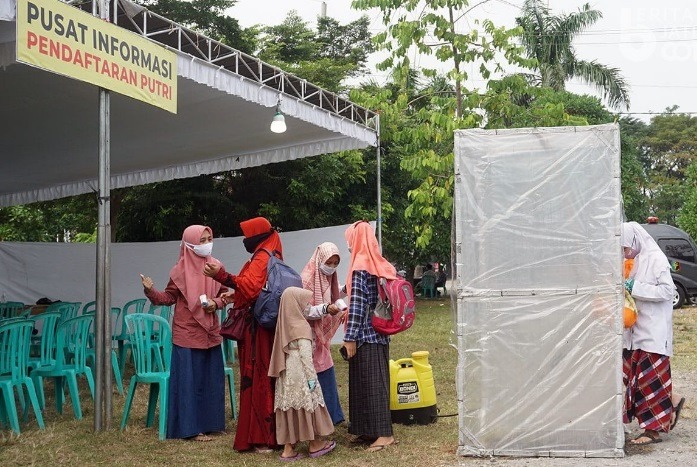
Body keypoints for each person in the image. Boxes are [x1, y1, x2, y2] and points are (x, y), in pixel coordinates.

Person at [140, 224, 226, 441]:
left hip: (210, 332)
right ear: (189, 245)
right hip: (187, 334)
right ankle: (190, 429)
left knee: (210, 380)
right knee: (189, 382)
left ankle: (211, 423)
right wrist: (150, 291)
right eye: (202, 241)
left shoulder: (216, 266)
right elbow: (168, 298)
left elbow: (227, 294)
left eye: (209, 239)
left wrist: (215, 303)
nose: (207, 244)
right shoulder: (179, 271)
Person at [203, 216, 280, 453]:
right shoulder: (270, 254)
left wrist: (222, 276)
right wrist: (235, 296)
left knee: (258, 379)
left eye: (248, 236)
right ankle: (263, 436)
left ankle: (261, 438)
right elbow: (259, 290)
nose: (246, 240)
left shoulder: (263, 257)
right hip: (262, 327)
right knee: (260, 378)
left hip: (258, 330)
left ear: (258, 236)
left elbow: (251, 287)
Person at [342, 220, 398, 452]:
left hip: (365, 334)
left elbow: (357, 305)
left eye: (349, 240)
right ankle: (365, 429)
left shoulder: (360, 266)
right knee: (367, 383)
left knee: (372, 385)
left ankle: (383, 434)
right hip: (380, 333)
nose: (348, 244)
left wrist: (350, 336)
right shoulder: (380, 264)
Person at [621, 221, 679, 445]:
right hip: (636, 331)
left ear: (635, 241)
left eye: (626, 248)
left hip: (654, 331)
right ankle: (672, 401)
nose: (625, 253)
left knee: (651, 382)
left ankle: (652, 431)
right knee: (634, 377)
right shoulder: (632, 261)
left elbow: (667, 291)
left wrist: (634, 287)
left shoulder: (656, 259)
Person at [269, 287, 336, 461]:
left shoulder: (284, 325)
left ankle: (288, 449)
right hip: (300, 372)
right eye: (304, 303)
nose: (307, 307)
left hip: (286, 373)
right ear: (295, 305)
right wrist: (312, 378)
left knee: (290, 406)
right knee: (309, 403)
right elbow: (306, 358)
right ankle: (315, 444)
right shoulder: (301, 327)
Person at [299, 242, 346, 425]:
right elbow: (304, 309)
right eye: (329, 262)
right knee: (315, 375)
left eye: (335, 263)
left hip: (321, 339)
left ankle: (333, 417)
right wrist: (326, 309)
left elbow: (333, 295)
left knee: (326, 370)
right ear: (320, 259)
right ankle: (319, 420)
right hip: (309, 335)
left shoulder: (329, 277)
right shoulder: (306, 280)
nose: (332, 267)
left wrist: (344, 291)